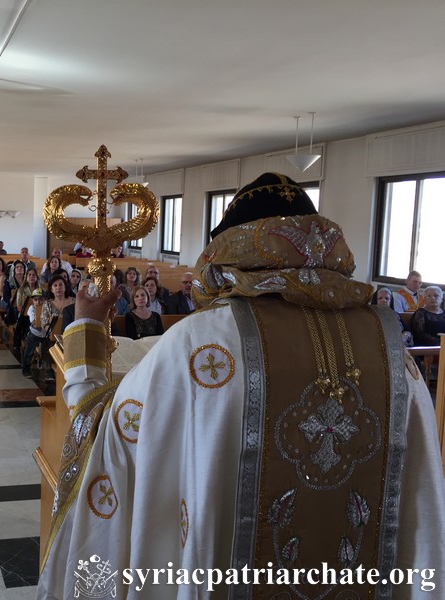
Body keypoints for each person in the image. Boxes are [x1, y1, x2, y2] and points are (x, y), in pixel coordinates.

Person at [37, 172, 445, 599]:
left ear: (231, 248)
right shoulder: (393, 354)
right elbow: (421, 509)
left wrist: (85, 328)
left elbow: (105, 433)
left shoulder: (201, 343)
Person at [22, 277, 73, 380]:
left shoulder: (74, 301)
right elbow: (44, 322)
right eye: (55, 285)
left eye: (60, 285)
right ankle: (45, 371)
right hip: (48, 334)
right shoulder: (47, 304)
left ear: (65, 286)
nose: (58, 288)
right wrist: (51, 331)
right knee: (38, 347)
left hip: (70, 335)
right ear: (51, 289)